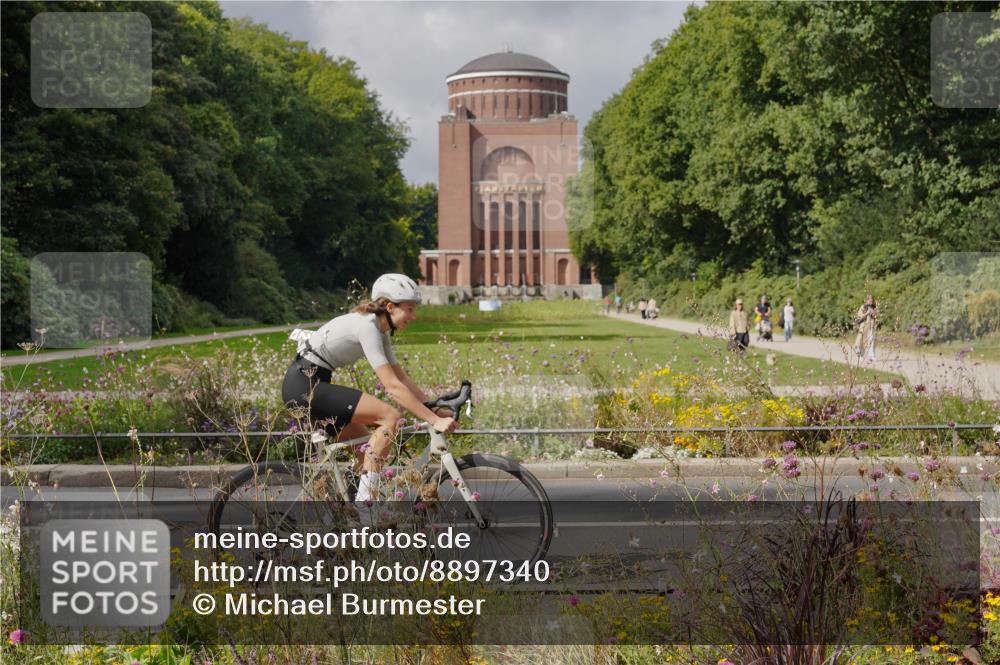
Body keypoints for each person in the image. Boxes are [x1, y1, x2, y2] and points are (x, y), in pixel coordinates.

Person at [282, 273, 457, 504]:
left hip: (313, 383)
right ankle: (367, 508)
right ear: (389, 306)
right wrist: (433, 421)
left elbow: (400, 377)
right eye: (410, 309)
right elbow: (392, 387)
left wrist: (432, 409)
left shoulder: (380, 329)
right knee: (390, 417)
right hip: (305, 386)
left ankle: (350, 514)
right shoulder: (367, 326)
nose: (413, 316)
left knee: (367, 451)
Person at [854, 294, 878, 361]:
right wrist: (867, 313)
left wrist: (875, 313)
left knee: (871, 340)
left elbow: (875, 317)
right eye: (869, 299)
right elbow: (859, 318)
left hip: (871, 326)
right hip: (864, 326)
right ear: (866, 300)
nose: (871, 301)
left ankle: (871, 355)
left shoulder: (873, 307)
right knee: (861, 341)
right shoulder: (863, 307)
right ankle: (860, 354)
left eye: (871, 299)